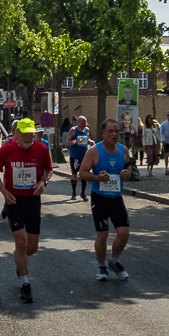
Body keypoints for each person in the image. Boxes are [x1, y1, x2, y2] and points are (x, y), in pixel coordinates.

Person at [0, 117, 53, 303]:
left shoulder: (41, 149)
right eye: (24, 134)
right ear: (16, 133)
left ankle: (20, 261)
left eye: (31, 134)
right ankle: (25, 284)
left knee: (32, 247)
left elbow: (48, 170)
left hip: (33, 200)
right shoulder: (7, 150)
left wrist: (43, 182)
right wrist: (4, 192)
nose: (28, 137)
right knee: (20, 243)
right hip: (14, 201)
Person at [79, 118, 133, 281]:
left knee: (124, 233)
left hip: (116, 198)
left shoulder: (123, 150)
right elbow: (83, 172)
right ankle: (101, 266)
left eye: (116, 131)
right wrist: (97, 178)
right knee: (102, 235)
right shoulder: (94, 151)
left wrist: (128, 172)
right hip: (100, 198)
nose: (114, 134)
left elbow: (129, 165)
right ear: (103, 133)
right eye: (110, 131)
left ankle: (114, 261)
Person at [65, 116, 92, 201]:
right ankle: (74, 193)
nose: (84, 125)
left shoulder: (87, 130)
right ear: (79, 122)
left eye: (85, 123)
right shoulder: (73, 130)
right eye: (83, 123)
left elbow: (88, 139)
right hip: (74, 156)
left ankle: (83, 193)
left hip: (84, 156)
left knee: (84, 175)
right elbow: (67, 142)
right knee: (74, 175)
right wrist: (75, 141)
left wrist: (91, 142)